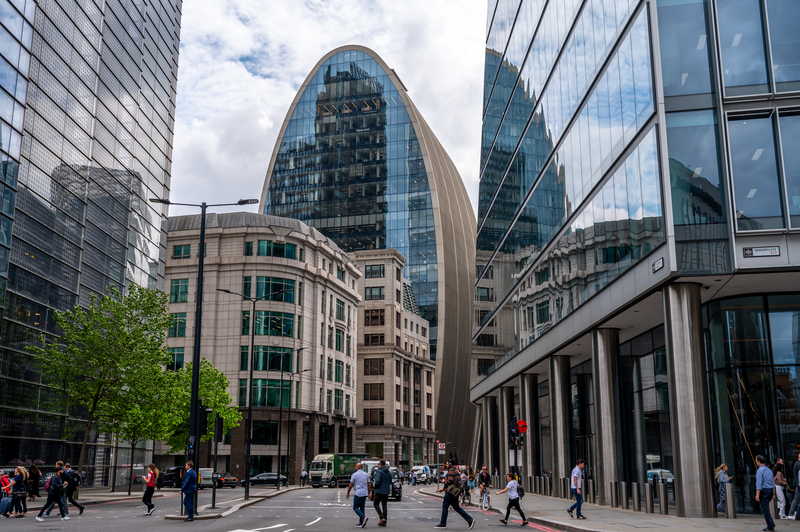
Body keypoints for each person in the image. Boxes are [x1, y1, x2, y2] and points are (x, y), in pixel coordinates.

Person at [346, 463, 370, 528]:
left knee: (355, 507)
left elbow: (351, 485)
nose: (355, 468)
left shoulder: (354, 475)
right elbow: (368, 485)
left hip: (358, 493)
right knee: (362, 508)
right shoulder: (366, 475)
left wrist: (348, 493)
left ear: (358, 468)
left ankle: (363, 517)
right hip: (364, 493)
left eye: (356, 467)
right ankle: (361, 523)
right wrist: (369, 493)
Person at [756, 455, 776, 531]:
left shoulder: (759, 471)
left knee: (765, 509)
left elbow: (759, 484)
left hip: (764, 491)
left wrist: (757, 494)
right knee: (766, 508)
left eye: (756, 461)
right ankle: (771, 523)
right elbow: (773, 482)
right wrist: (773, 494)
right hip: (770, 490)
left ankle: (770, 526)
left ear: (758, 462)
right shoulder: (769, 470)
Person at [370, 460, 391, 527]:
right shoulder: (388, 472)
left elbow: (377, 481)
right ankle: (385, 521)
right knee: (384, 505)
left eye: (378, 464)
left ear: (381, 465)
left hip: (379, 491)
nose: (378, 465)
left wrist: (374, 487)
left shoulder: (379, 471)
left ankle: (382, 518)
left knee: (376, 504)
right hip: (386, 491)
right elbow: (390, 482)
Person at [789, 451, 800, 519]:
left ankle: (792, 513)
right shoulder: (798, 464)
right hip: (799, 485)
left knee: (796, 499)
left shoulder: (797, 463)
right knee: (796, 499)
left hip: (798, 484)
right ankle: (792, 513)